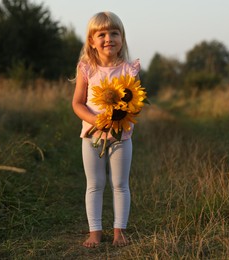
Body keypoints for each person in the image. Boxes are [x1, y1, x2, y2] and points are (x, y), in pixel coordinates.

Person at [72, 11, 141, 248]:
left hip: (122, 137)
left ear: (122, 38)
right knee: (95, 183)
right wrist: (95, 120)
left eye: (114, 33)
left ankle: (119, 231)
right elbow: (77, 103)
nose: (108, 38)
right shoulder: (87, 69)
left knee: (120, 184)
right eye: (101, 34)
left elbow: (135, 104)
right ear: (92, 41)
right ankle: (95, 232)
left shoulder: (129, 70)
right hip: (91, 137)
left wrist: (120, 114)